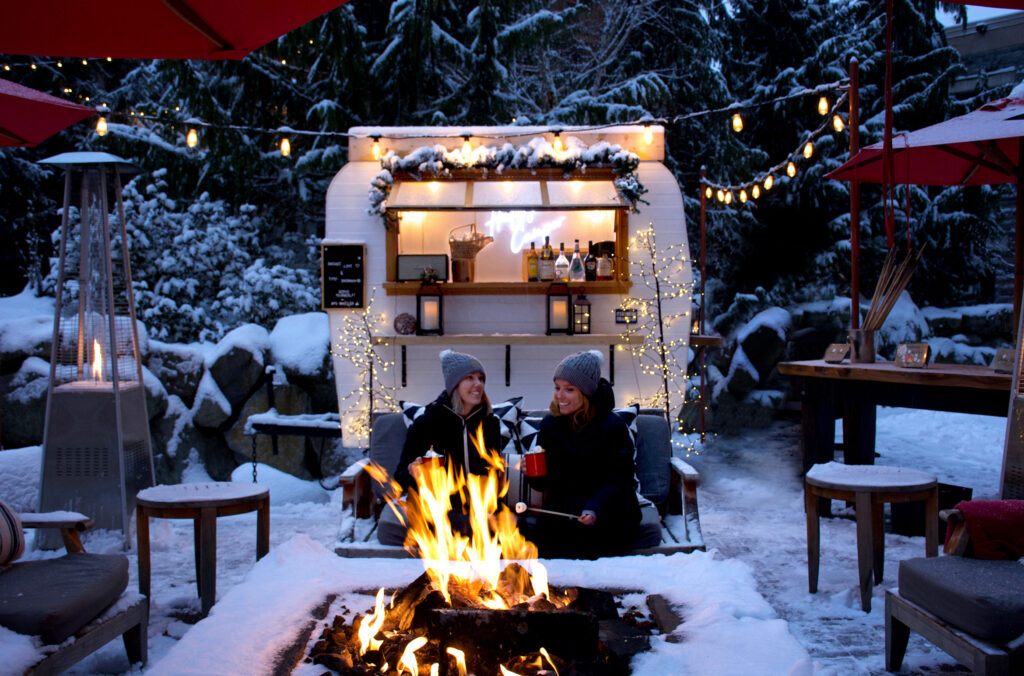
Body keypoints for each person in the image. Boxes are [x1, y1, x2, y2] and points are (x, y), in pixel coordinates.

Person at [521, 350, 641, 558]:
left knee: (587, 543)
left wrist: (594, 508)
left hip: (606, 511)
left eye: (569, 390)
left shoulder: (612, 427)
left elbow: (620, 481)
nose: (560, 396)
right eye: (558, 388)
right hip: (563, 513)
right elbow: (547, 485)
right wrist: (534, 474)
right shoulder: (550, 424)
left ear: (586, 393)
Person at [394, 349, 500, 494]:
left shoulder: (490, 424)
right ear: (454, 385)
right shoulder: (426, 424)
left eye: (481, 378)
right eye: (470, 378)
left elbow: (495, 471)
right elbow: (399, 480)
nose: (479, 384)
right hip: (440, 509)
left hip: (482, 507)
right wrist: (413, 473)